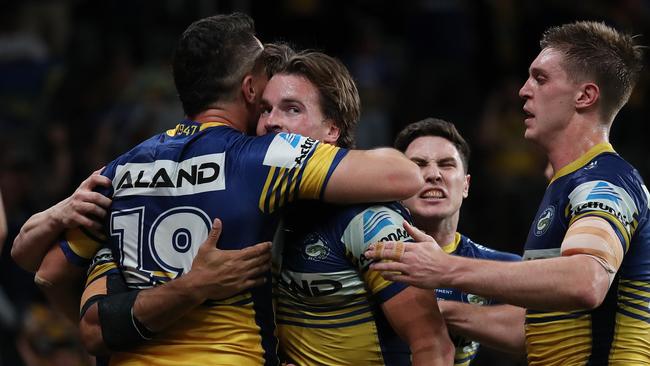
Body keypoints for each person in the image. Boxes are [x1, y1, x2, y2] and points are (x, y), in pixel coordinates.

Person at [19, 13, 424, 366]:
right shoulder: (266, 156)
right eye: (266, 96)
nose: (272, 114)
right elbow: (403, 176)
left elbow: (49, 274)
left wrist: (122, 325)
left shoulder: (121, 167)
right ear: (249, 89)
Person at [365, 21, 648, 365]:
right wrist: (437, 309)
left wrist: (444, 269)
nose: (523, 90)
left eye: (541, 79)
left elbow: (585, 281)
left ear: (585, 96)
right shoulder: (568, 185)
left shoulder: (604, 180)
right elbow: (533, 330)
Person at [255, 52, 453, 365]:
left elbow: (435, 348)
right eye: (265, 109)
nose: (270, 122)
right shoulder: (266, 206)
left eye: (292, 109)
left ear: (332, 130)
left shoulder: (371, 222)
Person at [393, 118, 525, 365]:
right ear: (397, 183)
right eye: (419, 164)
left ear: (465, 185)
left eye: (446, 164)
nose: (433, 174)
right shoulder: (369, 252)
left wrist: (440, 310)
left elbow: (538, 327)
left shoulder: (497, 265)